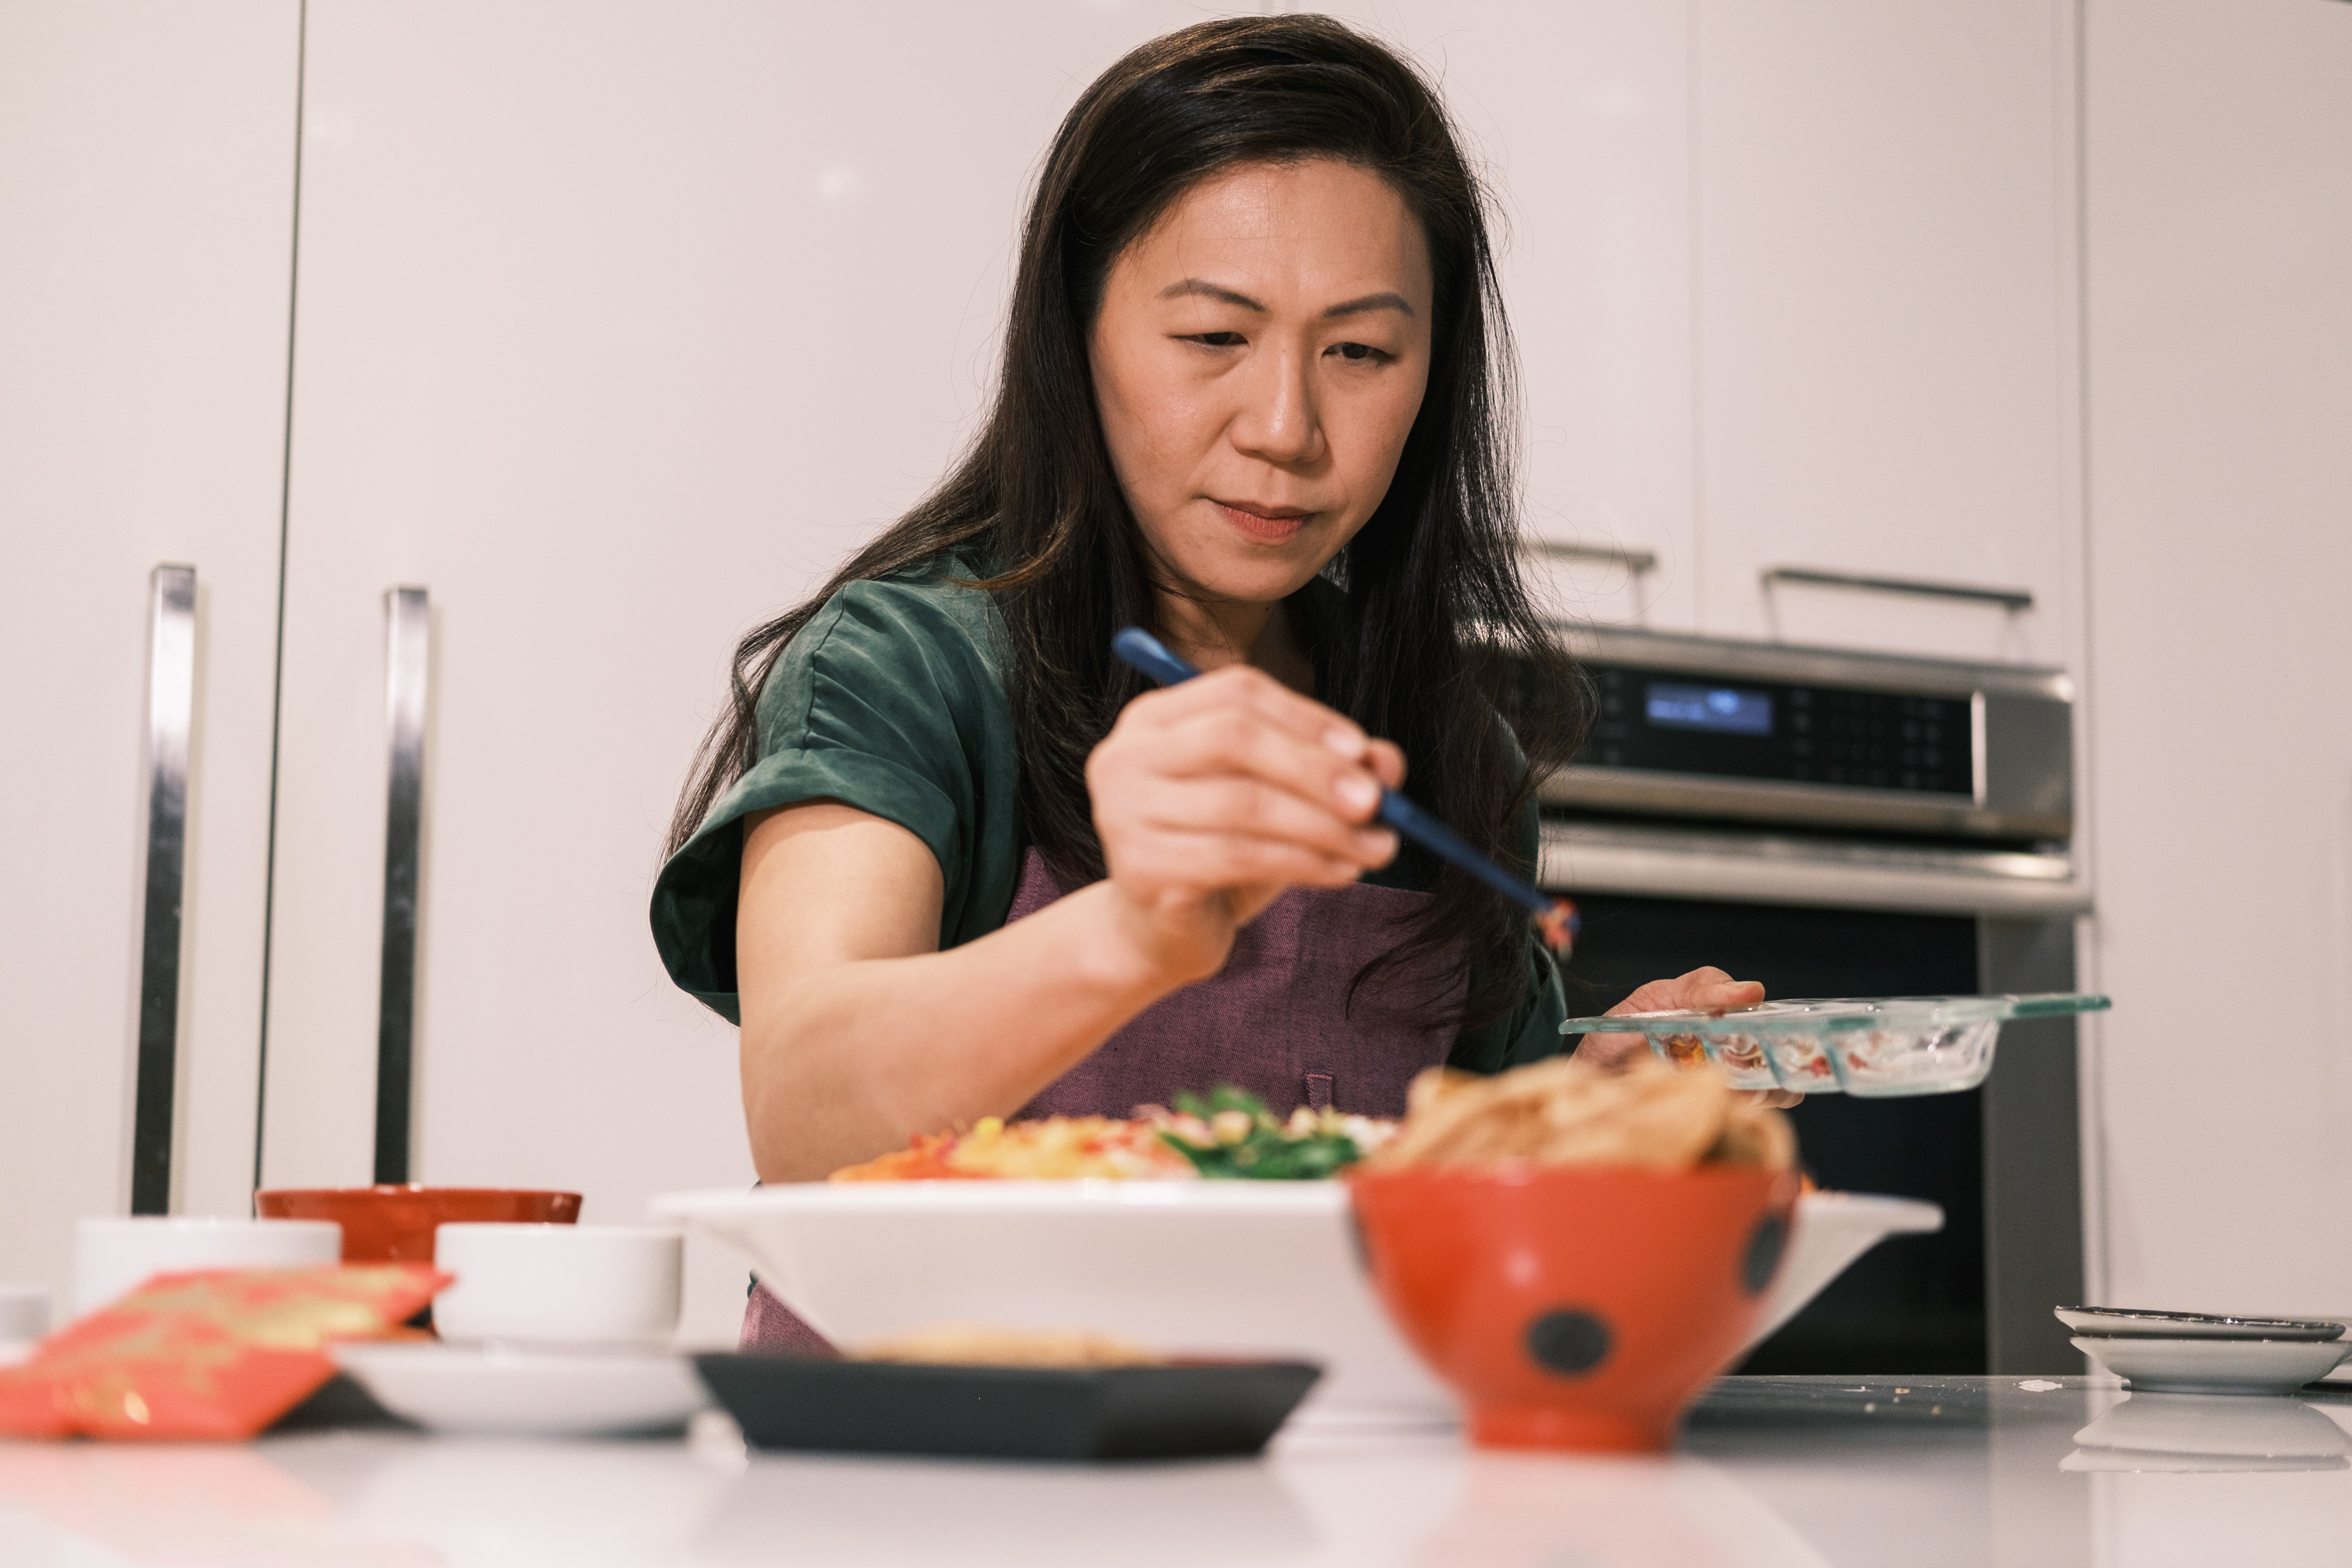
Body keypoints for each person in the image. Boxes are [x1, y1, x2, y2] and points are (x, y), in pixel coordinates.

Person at [649, 15, 1765, 1350]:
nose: (1286, 428)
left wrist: (1604, 1097)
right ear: (1080, 330)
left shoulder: (1443, 746)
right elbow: (802, 1108)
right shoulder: (909, 664)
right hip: (928, 1486)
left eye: (1359, 352)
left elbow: (1455, 1199)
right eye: (1214, 337)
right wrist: (1132, 933)